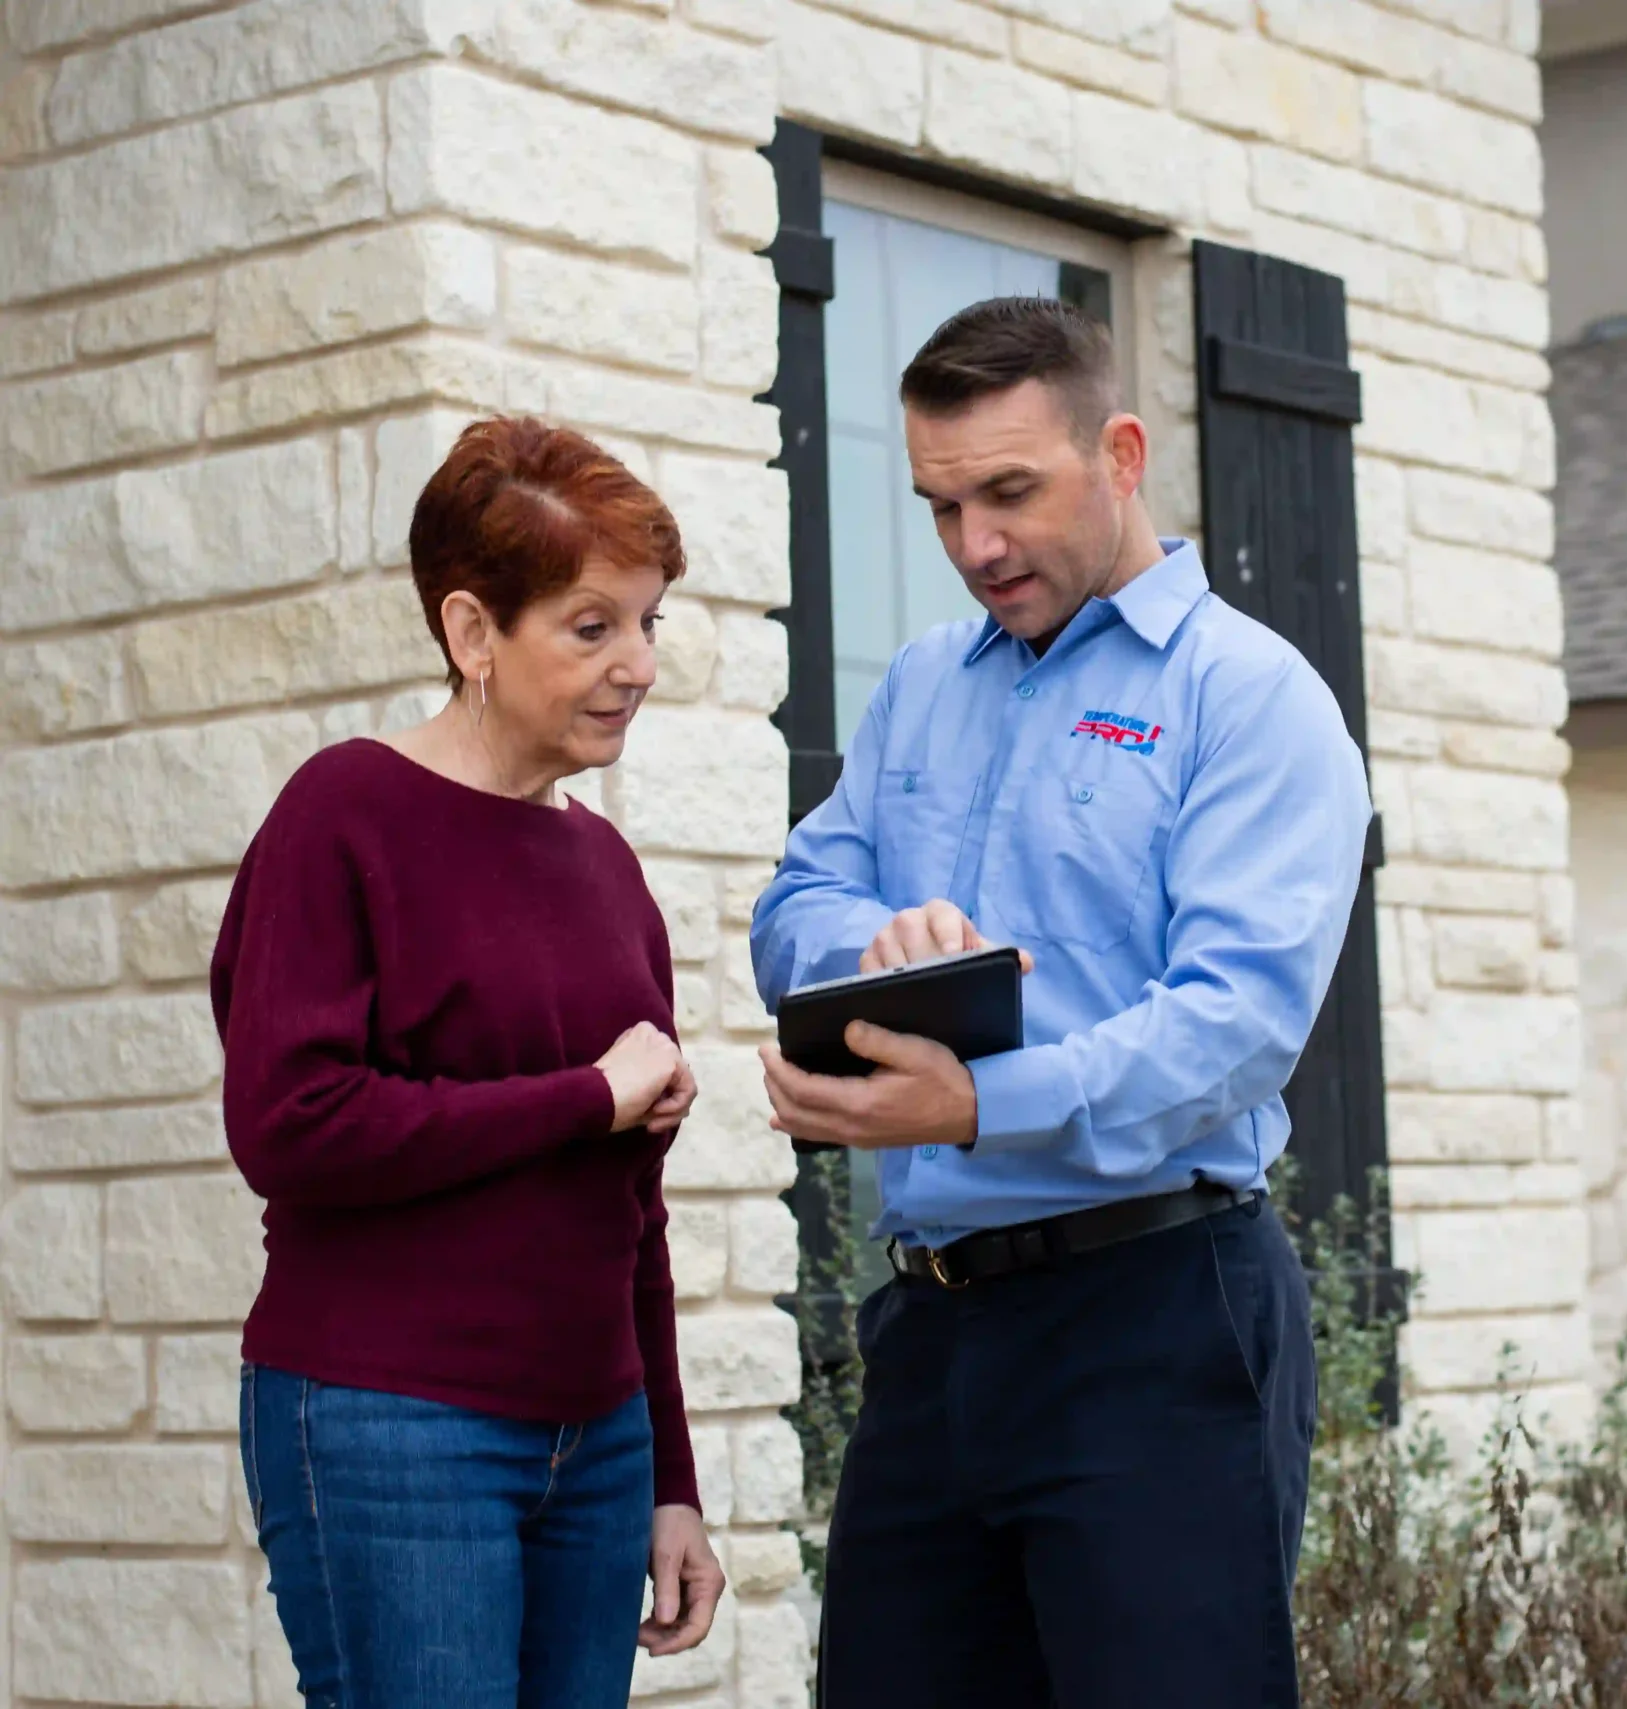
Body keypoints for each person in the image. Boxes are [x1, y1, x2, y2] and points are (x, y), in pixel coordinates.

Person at [750, 296, 1372, 1708]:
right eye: (942, 504)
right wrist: (870, 954)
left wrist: (975, 1103)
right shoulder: (918, 688)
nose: (976, 545)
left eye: (1012, 492)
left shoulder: (1251, 699)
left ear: (1125, 453)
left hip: (1156, 1317)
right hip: (932, 1338)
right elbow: (790, 914)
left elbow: (1234, 1026)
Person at [210, 418, 726, 1708]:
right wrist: (582, 1097)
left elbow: (630, 1210)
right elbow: (293, 1124)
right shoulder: (345, 814)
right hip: (392, 1421)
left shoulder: (606, 868)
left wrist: (668, 1472)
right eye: (592, 626)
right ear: (473, 632)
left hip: (595, 1439)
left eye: (649, 623)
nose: (639, 665)